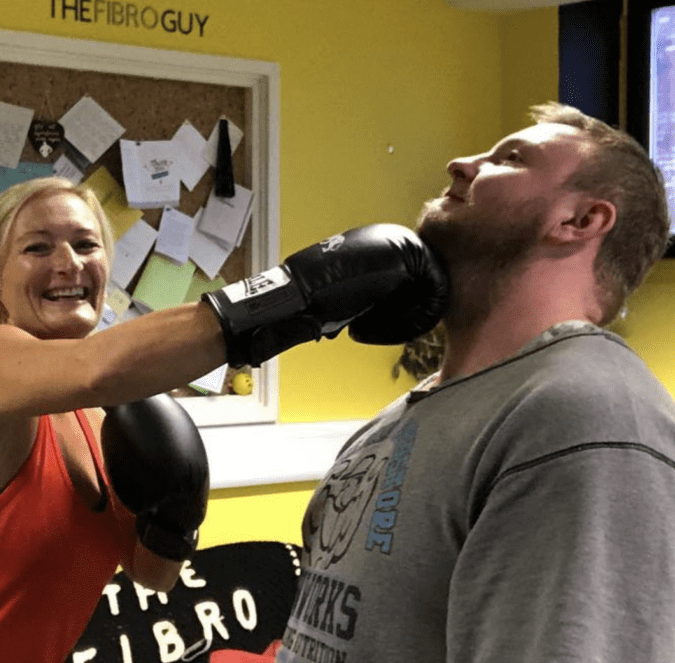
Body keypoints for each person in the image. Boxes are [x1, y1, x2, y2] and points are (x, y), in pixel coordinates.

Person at [0, 176, 448, 663]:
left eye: (87, 246)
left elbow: (153, 576)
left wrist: (174, 512)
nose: (68, 262)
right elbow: (99, 366)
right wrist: (301, 292)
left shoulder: (98, 420)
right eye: (38, 248)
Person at [275, 102, 675, 663]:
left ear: (581, 222)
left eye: (510, 159)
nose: (460, 163)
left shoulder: (586, 415)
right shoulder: (407, 416)